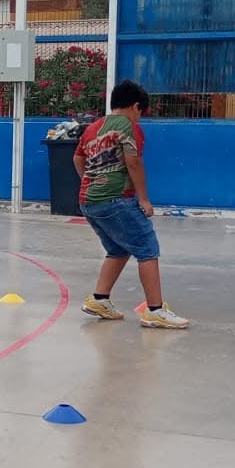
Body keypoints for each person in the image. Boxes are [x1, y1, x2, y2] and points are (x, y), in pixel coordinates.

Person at [74, 80, 189, 329]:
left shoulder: (92, 128)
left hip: (88, 201)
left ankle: (99, 300)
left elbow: (77, 158)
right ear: (136, 106)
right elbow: (133, 162)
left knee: (118, 249)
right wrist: (144, 199)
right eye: (141, 112)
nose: (140, 118)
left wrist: (90, 181)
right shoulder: (129, 127)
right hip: (116, 199)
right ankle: (155, 310)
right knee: (147, 248)